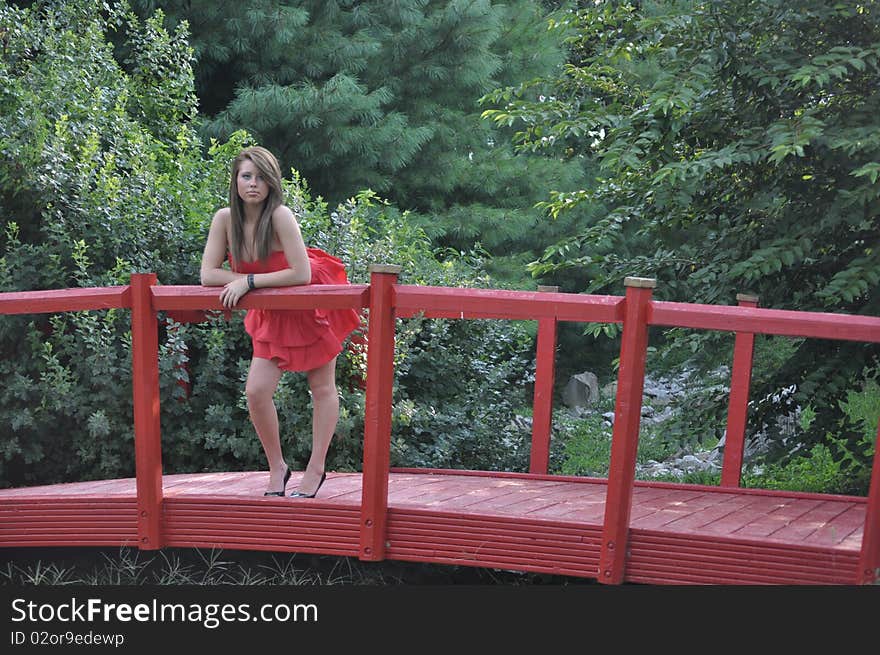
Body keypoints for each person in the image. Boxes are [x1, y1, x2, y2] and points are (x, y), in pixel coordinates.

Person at [200, 146, 360, 498]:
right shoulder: (225, 219)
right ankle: (278, 466)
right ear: (236, 181)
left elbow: (301, 272)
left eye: (260, 177)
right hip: (273, 308)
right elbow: (208, 273)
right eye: (246, 176)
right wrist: (240, 280)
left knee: (321, 387)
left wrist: (249, 282)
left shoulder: (281, 216)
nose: (253, 184)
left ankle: (317, 467)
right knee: (256, 392)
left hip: (309, 300)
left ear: (271, 183)